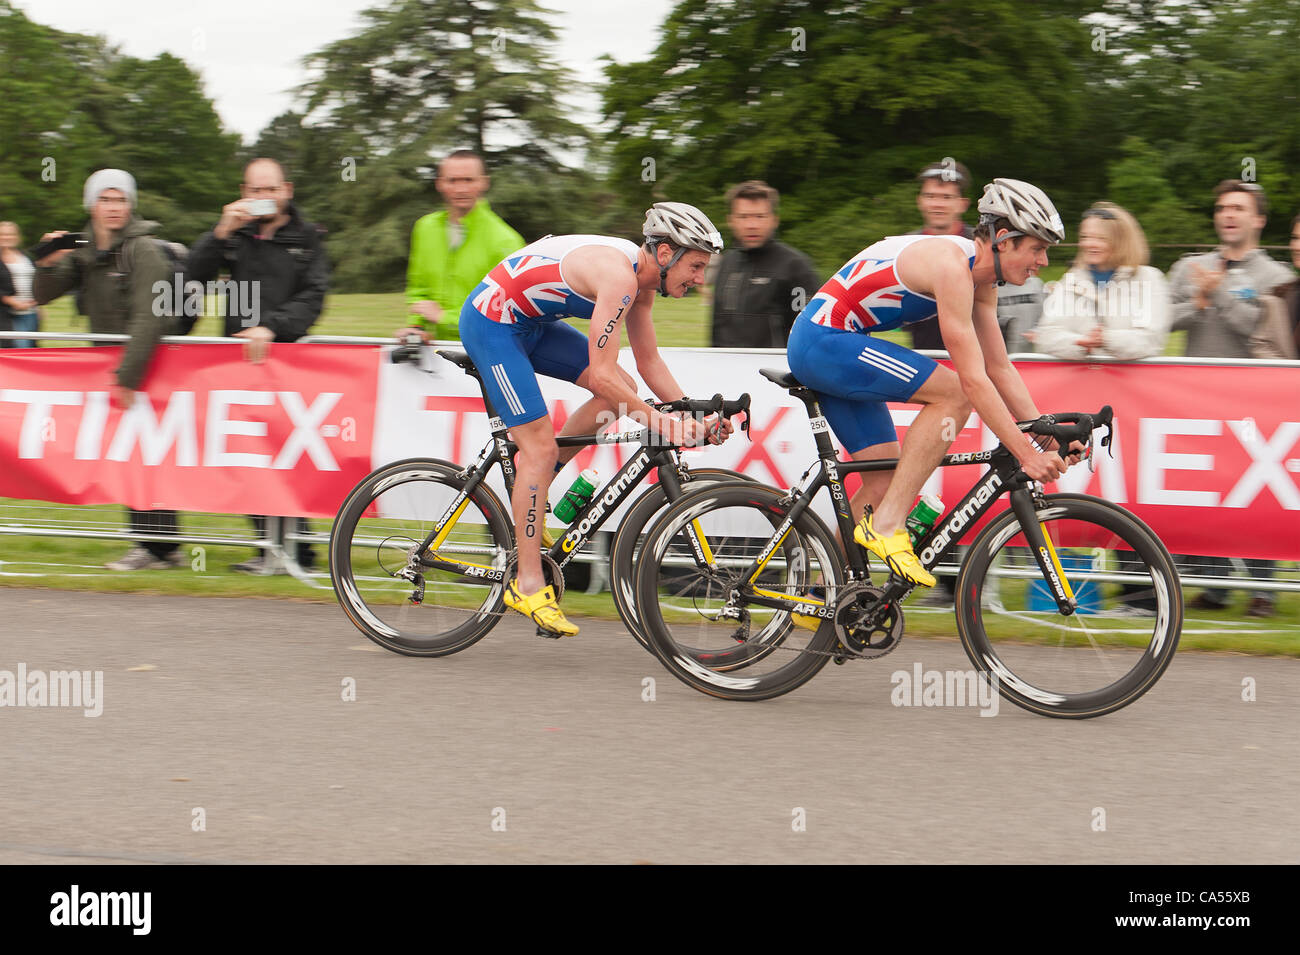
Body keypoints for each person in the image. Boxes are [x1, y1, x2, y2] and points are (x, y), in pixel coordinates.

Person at [452, 203, 731, 636]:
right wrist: (666, 424)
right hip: (494, 324)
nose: (699, 278)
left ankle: (539, 479)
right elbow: (599, 373)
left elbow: (649, 362)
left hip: (533, 321)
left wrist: (694, 414)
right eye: (695, 266)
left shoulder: (643, 283)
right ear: (664, 254)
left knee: (625, 391)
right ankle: (527, 584)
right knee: (539, 446)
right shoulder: (620, 279)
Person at [787, 179, 1079, 587]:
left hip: (836, 344)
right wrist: (1025, 454)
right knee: (955, 394)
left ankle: (832, 593)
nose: (1044, 261)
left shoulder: (982, 282)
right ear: (1002, 239)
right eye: (1037, 248)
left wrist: (1045, 433)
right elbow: (973, 382)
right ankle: (888, 526)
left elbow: (998, 366)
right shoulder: (951, 267)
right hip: (823, 341)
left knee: (885, 478)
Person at [33, 169, 185, 571]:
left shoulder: (144, 250)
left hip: (143, 367)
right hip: (117, 369)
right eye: (105, 199)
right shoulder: (84, 250)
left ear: (130, 205)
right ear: (92, 205)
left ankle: (155, 548)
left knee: (143, 455)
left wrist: (127, 377)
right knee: (132, 455)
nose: (113, 207)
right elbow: (40, 294)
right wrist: (46, 260)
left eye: (120, 199)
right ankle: (163, 548)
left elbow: (149, 317)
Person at [188, 157, 331, 573]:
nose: (263, 198)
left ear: (286, 190)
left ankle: (297, 548)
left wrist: (272, 327)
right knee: (247, 456)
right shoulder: (235, 235)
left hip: (286, 360)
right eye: (254, 191)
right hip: (237, 363)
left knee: (286, 456)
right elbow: (190, 280)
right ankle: (270, 548)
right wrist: (219, 233)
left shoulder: (307, 237)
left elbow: (314, 295)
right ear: (243, 192)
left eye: (269, 190)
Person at [1168, 180, 1294, 616]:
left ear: (1259, 219)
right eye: (1222, 207)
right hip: (1195, 404)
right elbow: (1163, 319)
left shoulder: (1278, 277)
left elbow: (1261, 331)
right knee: (1206, 493)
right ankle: (1215, 586)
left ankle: (1264, 591)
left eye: (1239, 208)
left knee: (1253, 495)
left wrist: (1218, 293)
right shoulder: (1189, 267)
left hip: (1254, 406)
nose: (1228, 215)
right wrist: (1200, 302)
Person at [397, 150, 524, 342]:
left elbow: (509, 314)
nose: (460, 189)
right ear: (439, 183)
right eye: (452, 181)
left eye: (468, 180)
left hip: (490, 352)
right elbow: (419, 290)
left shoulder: (507, 241)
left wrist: (444, 318)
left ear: (484, 182)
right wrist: (416, 327)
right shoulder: (424, 228)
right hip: (437, 353)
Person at [1036, 202, 1170, 360]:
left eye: (1100, 238)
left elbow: (1150, 341)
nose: (1089, 244)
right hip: (1081, 382)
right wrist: (1081, 344)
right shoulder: (1072, 280)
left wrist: (1107, 339)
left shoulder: (1149, 279)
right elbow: (1046, 335)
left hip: (1130, 383)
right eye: (1085, 237)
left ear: (1121, 241)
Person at [709, 180, 820, 348]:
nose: (751, 225)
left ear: (774, 220)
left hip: (773, 371)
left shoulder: (795, 267)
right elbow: (716, 327)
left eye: (760, 216)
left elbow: (811, 332)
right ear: (731, 221)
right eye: (743, 217)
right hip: (726, 369)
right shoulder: (726, 263)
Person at [907, 161, 974, 352]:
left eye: (946, 197)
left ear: (962, 204)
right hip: (926, 359)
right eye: (930, 196)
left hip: (979, 360)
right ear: (919, 200)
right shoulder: (904, 246)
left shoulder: (981, 244)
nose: (937, 204)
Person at [0, 222, 40, 348]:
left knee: (31, 348)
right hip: (8, 315)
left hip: (30, 312)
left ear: (17, 237)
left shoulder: (26, 257)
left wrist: (39, 306)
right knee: (20, 349)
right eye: (3, 234)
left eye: (10, 234)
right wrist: (11, 302)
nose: (7, 237)